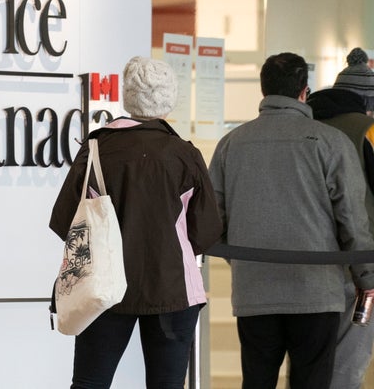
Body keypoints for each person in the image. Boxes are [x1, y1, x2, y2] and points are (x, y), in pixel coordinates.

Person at [49, 56, 223, 389]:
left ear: (128, 97)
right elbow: (206, 231)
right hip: (172, 290)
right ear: (169, 99)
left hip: (102, 287)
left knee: (89, 384)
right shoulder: (184, 154)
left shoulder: (96, 149)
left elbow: (65, 223)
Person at [208, 52, 374, 389]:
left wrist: (242, 259)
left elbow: (213, 220)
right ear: (304, 91)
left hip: (254, 291)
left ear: (263, 90)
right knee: (311, 381)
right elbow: (352, 220)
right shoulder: (330, 143)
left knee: (257, 381)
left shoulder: (231, 144)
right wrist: (366, 277)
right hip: (317, 291)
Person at [307, 47, 374, 389]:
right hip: (360, 262)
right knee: (349, 362)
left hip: (305, 260)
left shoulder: (305, 127)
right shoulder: (369, 130)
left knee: (313, 362)